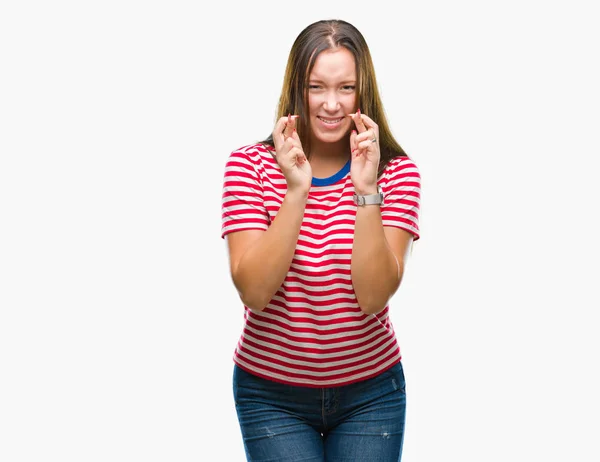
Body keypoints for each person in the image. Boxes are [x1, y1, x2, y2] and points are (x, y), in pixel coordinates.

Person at [220, 19, 421, 462]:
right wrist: (297, 191)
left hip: (372, 394)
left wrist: (366, 189)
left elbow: (372, 298)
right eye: (317, 87)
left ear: (362, 92)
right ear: (298, 90)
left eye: (346, 88)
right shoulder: (249, 167)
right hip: (270, 394)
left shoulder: (396, 173)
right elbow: (254, 292)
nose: (331, 104)